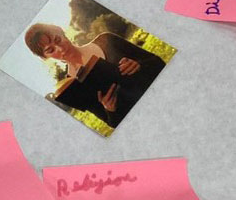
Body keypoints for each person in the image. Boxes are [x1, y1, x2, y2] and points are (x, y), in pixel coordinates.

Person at [26, 21, 165, 129]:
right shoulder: (72, 87)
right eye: (50, 50)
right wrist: (110, 109)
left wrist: (139, 65)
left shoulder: (107, 41)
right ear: (45, 57)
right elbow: (113, 123)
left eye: (57, 40)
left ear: (61, 32)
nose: (60, 48)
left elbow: (159, 63)